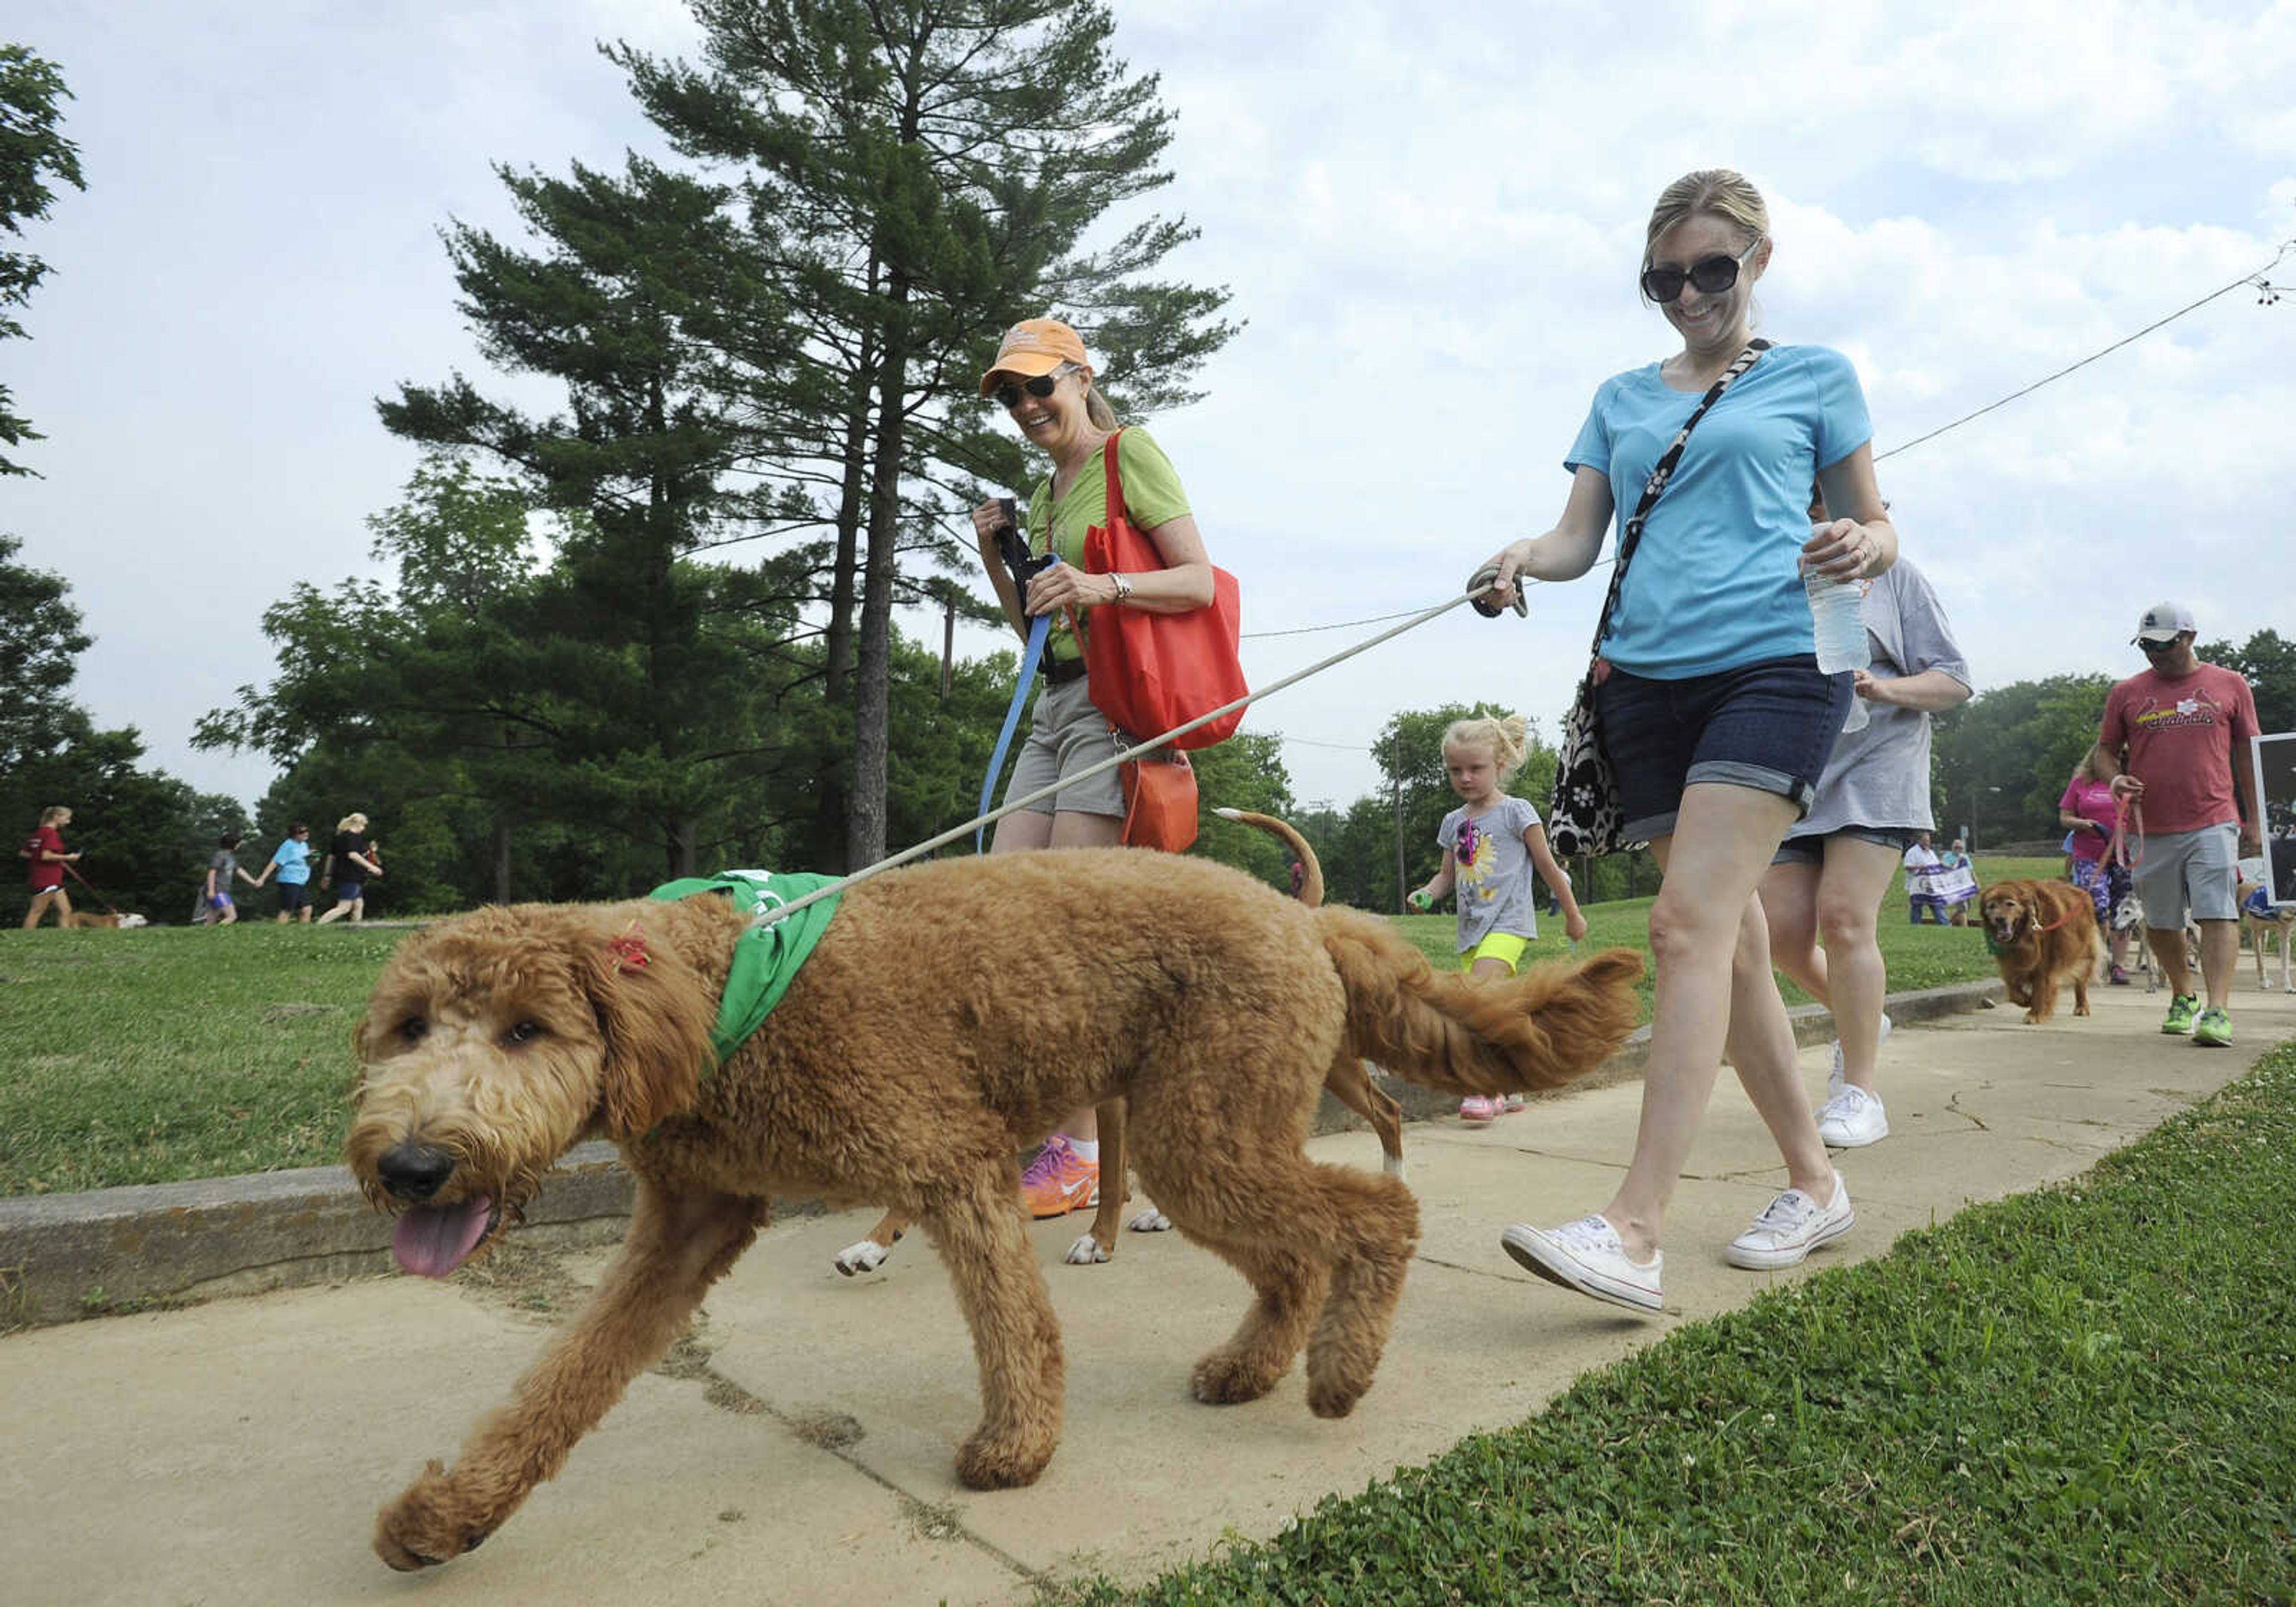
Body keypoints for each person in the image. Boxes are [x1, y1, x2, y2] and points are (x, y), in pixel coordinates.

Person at [1473, 169, 1896, 1313]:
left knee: (1685, 925)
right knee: (1738, 944)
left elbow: (1880, 522)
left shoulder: (1816, 376)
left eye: (1711, 269)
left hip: (1775, 664)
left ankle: (1634, 1227)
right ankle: (1816, 1183)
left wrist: (1862, 543)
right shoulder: (1619, 395)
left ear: (1758, 261)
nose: (1687, 293)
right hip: (1643, 690)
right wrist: (1519, 557)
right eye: (1664, 277)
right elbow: (1577, 539)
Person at [968, 317, 1215, 1220]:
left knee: (1069, 930)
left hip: (1119, 712)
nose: (1028, 406)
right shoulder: (1046, 492)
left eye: (1040, 386)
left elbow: (1198, 580)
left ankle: (1078, 1152)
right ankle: (1088, 1141)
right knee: (1004, 914)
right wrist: (1000, 557)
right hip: (1054, 704)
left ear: (1080, 377)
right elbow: (1033, 629)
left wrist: (1101, 585)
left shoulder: (1127, 454)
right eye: (1011, 395)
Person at [1761, 554, 1971, 1150]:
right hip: (1795, 765)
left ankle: (1859, 1091)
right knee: (1780, 934)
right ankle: (1862, 1019)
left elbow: (1952, 678)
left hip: (1879, 766)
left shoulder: (1898, 577)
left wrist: (1885, 687)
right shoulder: (1769, 570)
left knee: (1845, 917)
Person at [2093, 602, 2262, 1047]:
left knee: (2217, 911)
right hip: (2151, 826)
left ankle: (2218, 1010)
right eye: (2146, 645)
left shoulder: (2230, 685)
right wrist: (2116, 778)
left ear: (2189, 637)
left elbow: (2249, 751)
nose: (2154, 654)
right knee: (2163, 921)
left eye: (2163, 645)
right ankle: (2183, 995)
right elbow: (2104, 751)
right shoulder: (2127, 692)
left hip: (2213, 818)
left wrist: (2255, 819)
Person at [1406, 713, 1590, 1122]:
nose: (1465, 778)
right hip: (1472, 929)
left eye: (1476, 768)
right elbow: (1446, 876)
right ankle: (1512, 1083)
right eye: (1456, 770)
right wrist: (1427, 894)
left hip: (1509, 923)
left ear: (1500, 767)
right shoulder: (1453, 823)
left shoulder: (1516, 813)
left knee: (1474, 1003)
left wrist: (1572, 915)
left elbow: (1548, 868)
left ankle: (1483, 1088)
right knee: (1497, 1007)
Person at [2059, 754, 2134, 983]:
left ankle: (2118, 965)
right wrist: (2084, 824)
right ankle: (2097, 958)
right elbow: (2065, 817)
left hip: (2124, 854)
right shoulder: (2080, 784)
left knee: (2124, 909)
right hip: (2089, 854)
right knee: (2096, 905)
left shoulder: (2131, 783)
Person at [316, 812, 383, 925]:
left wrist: (327, 875)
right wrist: (372, 867)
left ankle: (357, 928)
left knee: (358, 904)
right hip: (350, 875)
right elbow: (353, 855)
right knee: (344, 907)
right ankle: (318, 925)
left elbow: (331, 857)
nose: (364, 829)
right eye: (364, 825)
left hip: (342, 874)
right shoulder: (353, 837)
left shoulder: (339, 837)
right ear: (358, 824)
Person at [20, 805, 81, 929]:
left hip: (53, 878)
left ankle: (65, 939)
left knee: (65, 911)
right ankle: (24, 939)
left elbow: (24, 853)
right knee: (37, 911)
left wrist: (53, 858)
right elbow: (46, 856)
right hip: (47, 878)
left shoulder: (40, 832)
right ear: (56, 817)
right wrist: (68, 858)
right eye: (67, 818)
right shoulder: (51, 834)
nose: (68, 822)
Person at [255, 823, 316, 922]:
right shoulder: (288, 845)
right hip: (289, 880)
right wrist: (262, 878)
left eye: (306, 831)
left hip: (300, 882)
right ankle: (278, 933)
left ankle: (304, 934)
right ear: (294, 834)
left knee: (307, 909)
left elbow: (304, 861)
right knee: (287, 909)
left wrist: (312, 859)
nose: (306, 834)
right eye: (302, 832)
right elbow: (275, 862)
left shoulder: (304, 845)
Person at [198, 833, 262, 925]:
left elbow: (239, 870)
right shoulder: (220, 855)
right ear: (233, 844)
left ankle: (204, 937)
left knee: (211, 921)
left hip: (219, 891)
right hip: (217, 891)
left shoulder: (230, 857)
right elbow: (212, 872)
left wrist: (254, 882)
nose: (239, 845)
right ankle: (218, 933)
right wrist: (211, 890)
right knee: (232, 916)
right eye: (239, 843)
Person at [1901, 830, 1950, 924]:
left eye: (1928, 841)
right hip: (1917, 886)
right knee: (1917, 906)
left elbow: (1936, 865)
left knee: (1936, 905)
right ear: (1919, 841)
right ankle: (1915, 926)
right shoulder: (1912, 852)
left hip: (1931, 885)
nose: (1927, 843)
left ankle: (1945, 925)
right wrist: (1922, 867)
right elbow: (1907, 867)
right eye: (1925, 841)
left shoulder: (1931, 852)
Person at [1935, 837, 1979, 927]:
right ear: (1952, 848)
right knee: (1963, 907)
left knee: (1967, 907)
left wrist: (1976, 883)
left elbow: (1971, 871)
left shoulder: (1965, 857)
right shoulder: (1947, 857)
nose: (1958, 849)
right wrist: (1958, 861)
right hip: (1954, 886)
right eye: (1956, 847)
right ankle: (1964, 928)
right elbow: (1947, 868)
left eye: (1960, 848)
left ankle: (1948, 923)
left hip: (1965, 885)